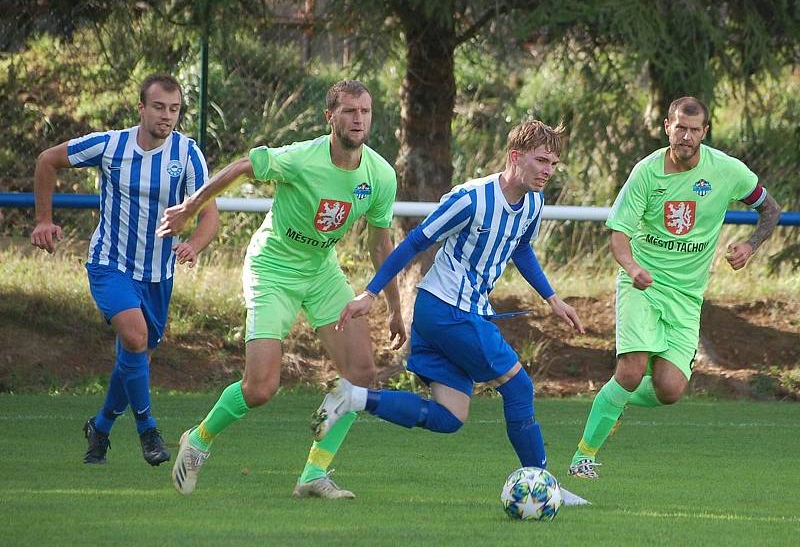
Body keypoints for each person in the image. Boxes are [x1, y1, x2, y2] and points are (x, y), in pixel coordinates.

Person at [318, 120, 590, 506]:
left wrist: (552, 298)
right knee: (519, 387)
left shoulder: (533, 201)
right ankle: (547, 484)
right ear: (515, 156)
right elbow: (415, 241)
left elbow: (521, 249)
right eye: (541, 160)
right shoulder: (471, 198)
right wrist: (371, 292)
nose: (548, 170)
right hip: (448, 310)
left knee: (449, 416)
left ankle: (354, 398)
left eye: (554, 163)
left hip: (457, 313)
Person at [157, 79, 406, 498]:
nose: (358, 119)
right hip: (272, 267)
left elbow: (380, 243)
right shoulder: (301, 157)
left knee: (361, 376)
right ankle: (199, 438)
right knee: (261, 388)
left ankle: (312, 475)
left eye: (364, 111)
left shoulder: (380, 175)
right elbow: (241, 167)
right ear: (330, 117)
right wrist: (190, 207)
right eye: (348, 111)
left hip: (321, 270)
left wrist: (395, 306)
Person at [568, 96, 782, 480]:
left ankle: (614, 402)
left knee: (670, 390)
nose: (685, 136)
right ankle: (584, 456)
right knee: (631, 369)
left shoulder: (728, 170)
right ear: (667, 126)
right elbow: (618, 233)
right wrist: (632, 267)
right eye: (679, 127)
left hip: (686, 296)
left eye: (693, 129)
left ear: (705, 132)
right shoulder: (646, 172)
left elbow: (771, 208)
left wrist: (750, 245)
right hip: (642, 284)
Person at [30, 73, 220, 466]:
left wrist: (194, 244)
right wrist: (43, 219)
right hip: (110, 264)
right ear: (141, 109)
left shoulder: (187, 154)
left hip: (158, 274)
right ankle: (148, 430)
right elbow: (47, 160)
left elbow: (209, 215)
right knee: (134, 338)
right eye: (159, 107)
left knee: (136, 356)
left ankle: (99, 428)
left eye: (174, 109)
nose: (167, 116)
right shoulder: (111, 145)